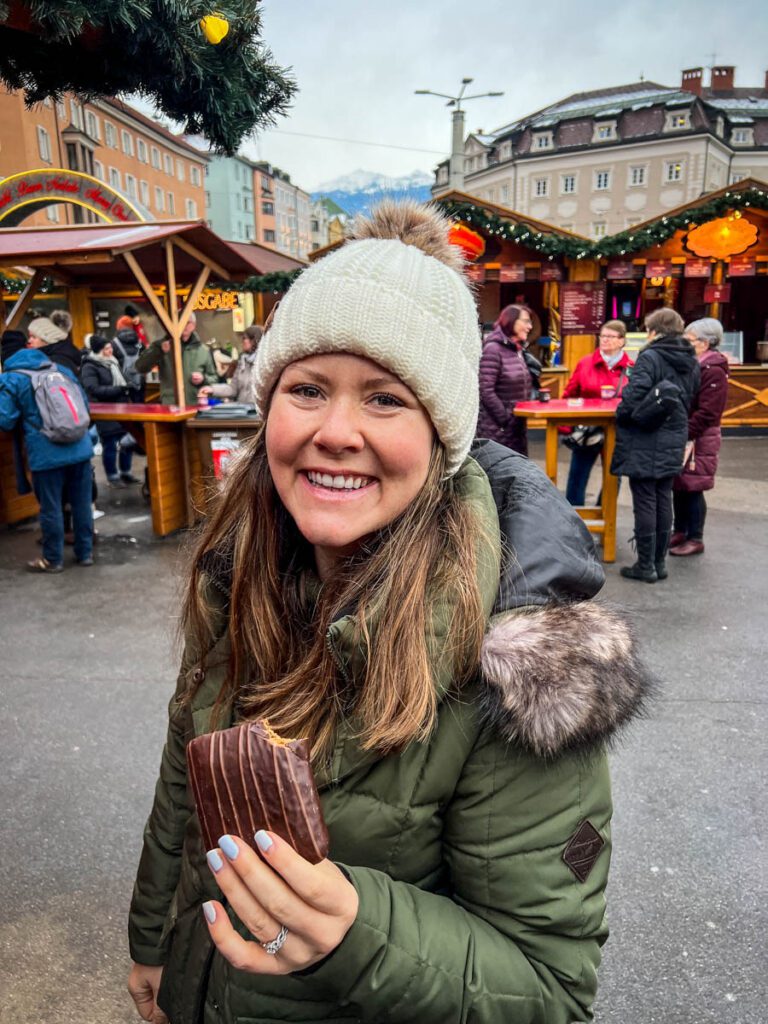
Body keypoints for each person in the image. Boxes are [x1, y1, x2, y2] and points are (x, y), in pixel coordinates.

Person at [127, 202, 651, 1024]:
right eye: (306, 389)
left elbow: (550, 993)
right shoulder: (243, 568)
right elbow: (184, 792)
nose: (336, 432)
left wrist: (360, 933)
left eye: (385, 399)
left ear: (443, 437)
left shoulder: (518, 669)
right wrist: (155, 944)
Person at [611, 307, 699, 582]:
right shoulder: (691, 359)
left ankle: (645, 565)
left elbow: (634, 395)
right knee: (663, 497)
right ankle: (659, 563)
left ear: (654, 331)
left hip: (646, 437)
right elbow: (691, 397)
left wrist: (622, 413)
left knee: (645, 500)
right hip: (674, 434)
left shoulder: (650, 356)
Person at [0, 328, 93, 571]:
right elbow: (83, 404)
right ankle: (85, 554)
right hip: (80, 447)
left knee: (51, 508)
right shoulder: (58, 369)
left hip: (46, 453)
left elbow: (5, 419)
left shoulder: (12, 378)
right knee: (81, 504)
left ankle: (53, 559)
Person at [670, 318, 730, 557]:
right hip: (688, 432)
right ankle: (680, 530)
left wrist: (685, 431)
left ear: (705, 343)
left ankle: (695, 537)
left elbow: (708, 412)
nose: (685, 343)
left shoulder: (713, 369)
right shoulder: (695, 364)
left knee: (693, 486)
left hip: (700, 437)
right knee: (680, 484)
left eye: (690, 340)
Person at [562, 319, 633, 506]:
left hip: (617, 430)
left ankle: (605, 517)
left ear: (622, 340)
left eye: (611, 336)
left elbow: (635, 400)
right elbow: (569, 395)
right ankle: (574, 517)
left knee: (613, 476)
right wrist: (567, 427)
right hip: (587, 429)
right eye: (603, 336)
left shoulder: (632, 368)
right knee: (578, 474)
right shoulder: (585, 363)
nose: (605, 340)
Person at [81, 336, 140, 485]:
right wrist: (119, 389)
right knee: (110, 443)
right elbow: (93, 389)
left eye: (110, 348)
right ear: (99, 350)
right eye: (107, 349)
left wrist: (127, 387)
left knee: (126, 441)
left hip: (121, 408)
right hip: (104, 410)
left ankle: (126, 472)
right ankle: (112, 476)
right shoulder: (90, 366)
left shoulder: (113, 362)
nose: (110, 351)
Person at [476, 303, 534, 455]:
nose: (530, 326)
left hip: (515, 428)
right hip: (498, 430)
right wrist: (506, 419)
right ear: (511, 321)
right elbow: (485, 390)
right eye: (526, 321)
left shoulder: (516, 349)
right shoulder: (493, 349)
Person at [135, 312, 218, 405]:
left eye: (187, 322)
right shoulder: (161, 346)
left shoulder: (203, 350)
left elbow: (214, 379)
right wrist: (159, 351)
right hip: (170, 406)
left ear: (193, 325)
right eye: (179, 322)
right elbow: (140, 367)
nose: (183, 326)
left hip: (195, 406)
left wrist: (203, 379)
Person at [198, 325, 262, 404]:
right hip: (242, 411)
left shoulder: (263, 363)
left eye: (244, 338)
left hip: (257, 412)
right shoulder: (242, 362)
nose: (242, 341)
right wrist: (212, 389)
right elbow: (232, 389)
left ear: (253, 340)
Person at [113, 315, 146, 403]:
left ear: (118, 327)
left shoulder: (114, 344)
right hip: (139, 381)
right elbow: (145, 357)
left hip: (122, 384)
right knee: (140, 409)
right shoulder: (139, 343)